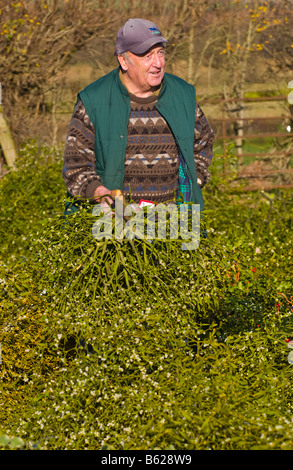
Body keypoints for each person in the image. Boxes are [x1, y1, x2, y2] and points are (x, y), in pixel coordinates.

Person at [63, 18, 214, 216]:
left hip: (174, 222)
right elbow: (75, 165)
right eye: (147, 56)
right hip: (114, 226)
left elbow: (204, 143)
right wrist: (100, 193)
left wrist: (194, 182)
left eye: (160, 52)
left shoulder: (183, 95)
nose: (158, 63)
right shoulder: (94, 100)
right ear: (124, 61)